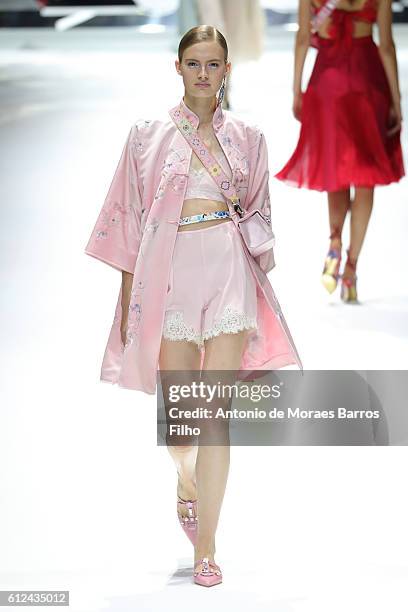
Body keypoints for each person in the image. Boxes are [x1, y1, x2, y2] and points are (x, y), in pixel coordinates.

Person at [84, 25, 302, 586]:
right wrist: (130, 299)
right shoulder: (146, 135)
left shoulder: (249, 136)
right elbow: (126, 219)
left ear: (227, 71)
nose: (204, 74)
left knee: (215, 418)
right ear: (177, 67)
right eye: (194, 63)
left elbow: (259, 213)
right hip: (172, 274)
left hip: (228, 271)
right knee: (182, 428)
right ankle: (186, 482)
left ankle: (208, 546)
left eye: (213, 64)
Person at [275, 0, 405, 302]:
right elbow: (386, 46)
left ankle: (334, 239)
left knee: (336, 170)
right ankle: (351, 269)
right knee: (365, 178)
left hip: (328, 83)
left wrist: (297, 90)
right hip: (366, 82)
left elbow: (303, 39)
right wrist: (397, 100)